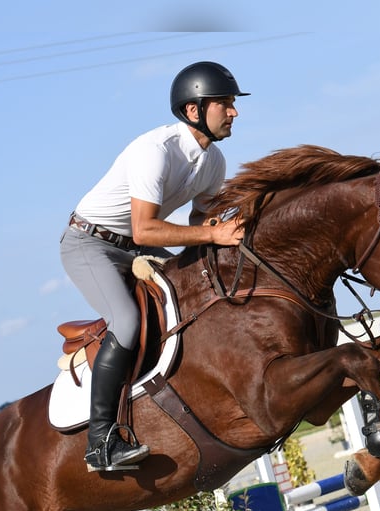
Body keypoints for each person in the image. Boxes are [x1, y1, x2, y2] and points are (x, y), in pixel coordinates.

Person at [60, 61, 249, 472]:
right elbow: (146, 230)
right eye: (225, 104)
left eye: (233, 104)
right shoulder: (156, 151)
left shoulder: (213, 160)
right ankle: (101, 444)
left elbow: (200, 225)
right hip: (91, 243)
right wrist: (211, 236)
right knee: (126, 321)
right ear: (194, 111)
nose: (234, 112)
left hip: (136, 246)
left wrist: (222, 230)